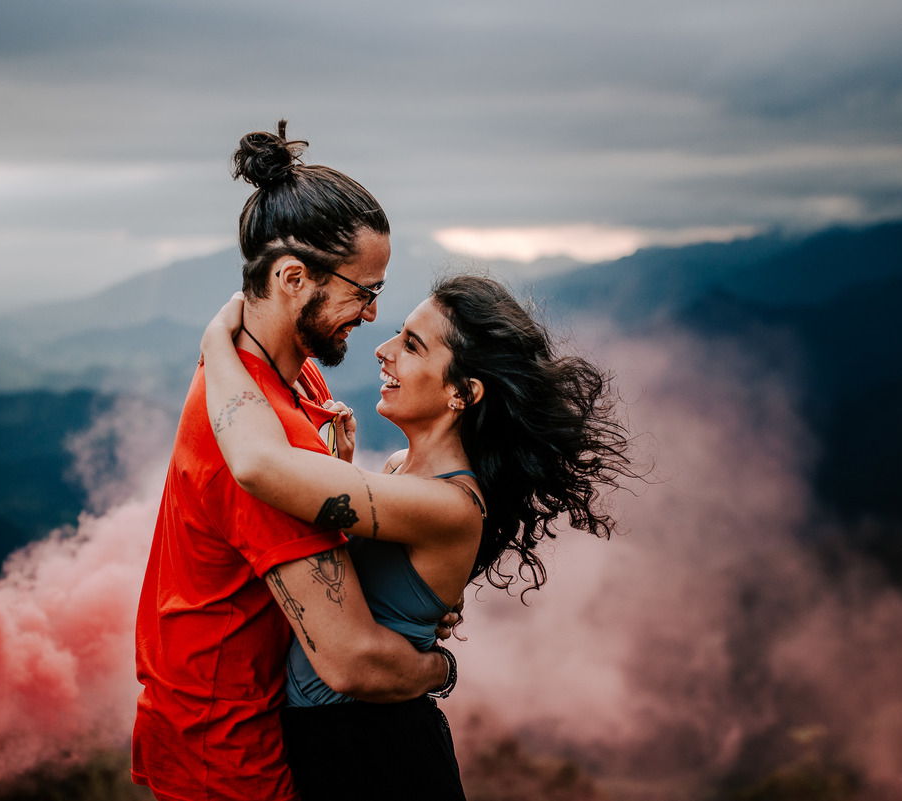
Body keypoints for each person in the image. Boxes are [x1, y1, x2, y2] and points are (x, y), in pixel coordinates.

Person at [199, 273, 632, 800]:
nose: (383, 351)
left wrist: (217, 344)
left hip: (378, 753)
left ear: (462, 393)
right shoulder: (400, 468)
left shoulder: (450, 506)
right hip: (337, 743)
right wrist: (340, 472)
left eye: (411, 345)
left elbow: (257, 465)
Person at [132, 121, 453, 801]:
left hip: (214, 726)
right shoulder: (263, 429)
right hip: (231, 755)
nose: (371, 314)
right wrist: (435, 666)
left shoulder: (278, 377)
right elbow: (354, 661)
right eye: (364, 290)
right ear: (293, 277)